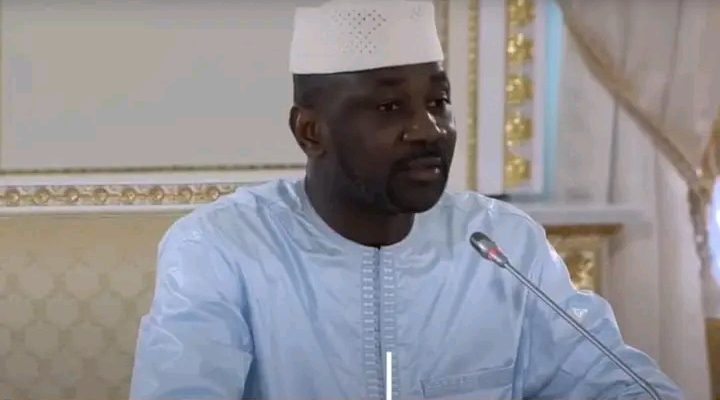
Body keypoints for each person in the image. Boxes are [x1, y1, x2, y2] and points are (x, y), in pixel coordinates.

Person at [130, 1, 682, 398]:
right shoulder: (221, 248)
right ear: (310, 131)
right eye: (389, 108)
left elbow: (616, 381)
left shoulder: (501, 242)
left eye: (438, 102)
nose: (428, 130)